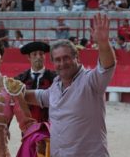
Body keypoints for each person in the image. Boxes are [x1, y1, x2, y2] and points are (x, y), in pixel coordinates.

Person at [25, 13, 116, 156]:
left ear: (77, 57)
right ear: (53, 63)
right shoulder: (55, 87)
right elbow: (39, 96)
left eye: (66, 58)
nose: (62, 63)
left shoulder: (91, 81)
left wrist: (103, 43)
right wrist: (11, 91)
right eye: (57, 60)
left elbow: (107, 66)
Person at [15, 41, 56, 122]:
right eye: (34, 54)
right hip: (28, 125)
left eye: (41, 54)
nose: (38, 57)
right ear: (29, 57)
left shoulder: (54, 78)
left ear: (44, 56)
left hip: (49, 124)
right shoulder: (20, 79)